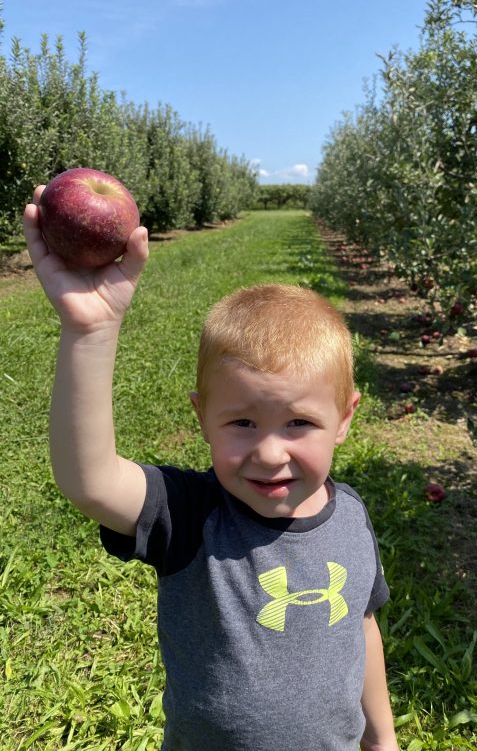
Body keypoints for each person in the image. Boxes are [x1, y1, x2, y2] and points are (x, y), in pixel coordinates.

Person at [23, 184, 399, 751]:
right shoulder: (193, 515)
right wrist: (90, 331)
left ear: (344, 420)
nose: (270, 453)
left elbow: (361, 630)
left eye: (299, 424)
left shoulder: (351, 517)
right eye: (242, 424)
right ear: (202, 418)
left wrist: (383, 740)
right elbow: (90, 479)